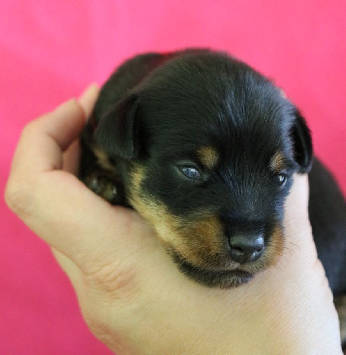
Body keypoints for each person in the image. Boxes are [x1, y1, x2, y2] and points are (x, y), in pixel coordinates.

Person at [5, 85, 342, 354]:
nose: (249, 239)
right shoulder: (126, 118)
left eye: (279, 178)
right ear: (120, 141)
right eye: (192, 170)